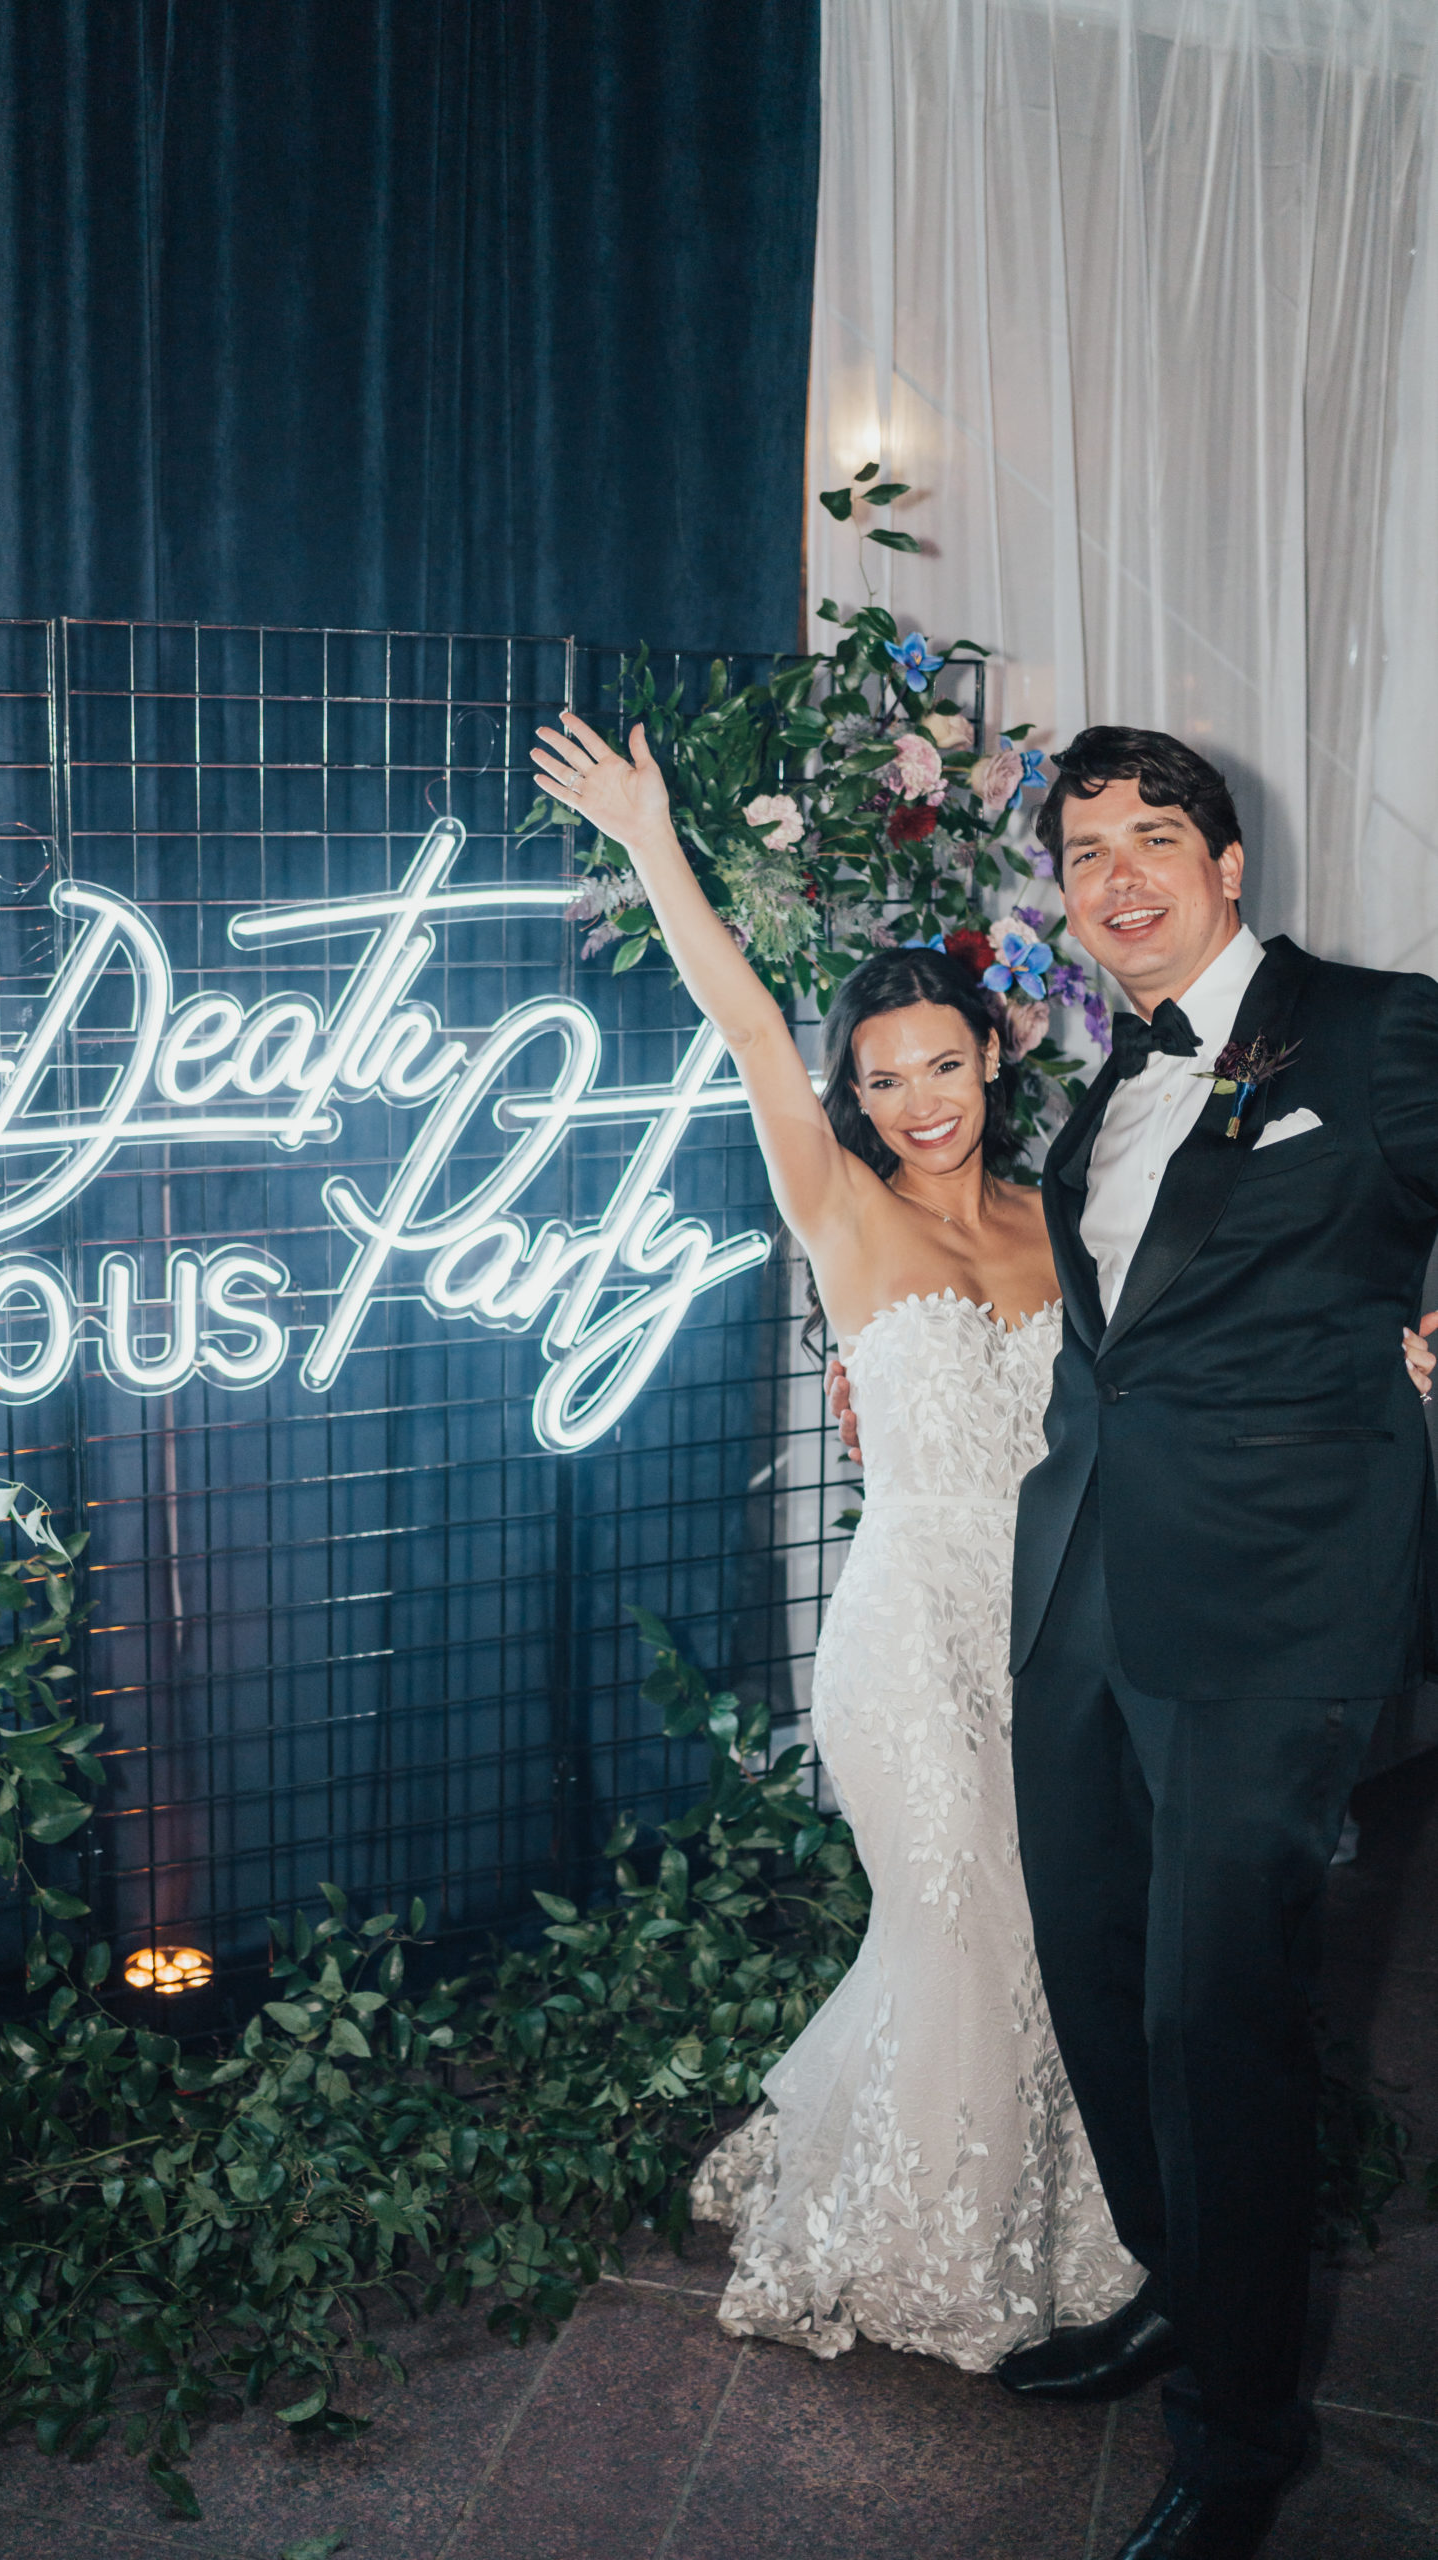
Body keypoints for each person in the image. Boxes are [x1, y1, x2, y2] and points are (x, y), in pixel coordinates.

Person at [530, 707, 1141, 2372]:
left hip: (1044, 1631)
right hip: (903, 1632)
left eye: (942, 1065)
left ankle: (1060, 2216)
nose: (918, 1101)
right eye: (883, 1078)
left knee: (1040, 1926)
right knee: (955, 1912)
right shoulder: (840, 1204)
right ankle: (920, 2248)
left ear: (995, 1056)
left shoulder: (1056, 1220)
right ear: (855, 1094)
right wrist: (653, 841)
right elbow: (743, 1021)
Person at [977, 727, 1438, 2560]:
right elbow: (1120, 1333)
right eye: (1085, 852)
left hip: (1277, 1602)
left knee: (1213, 2011)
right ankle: (1187, 2281)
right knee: (1098, 1974)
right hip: (1084, 1587)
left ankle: (1240, 2443)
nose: (1119, 877)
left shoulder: (1377, 1029)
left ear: (1229, 867)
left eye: (1155, 838)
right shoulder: (1111, 1079)